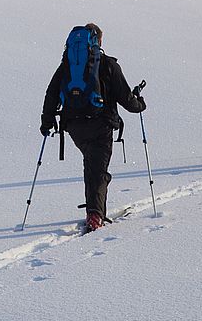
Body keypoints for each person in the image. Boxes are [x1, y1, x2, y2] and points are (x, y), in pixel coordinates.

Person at [41, 23, 146, 232]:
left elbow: (51, 93)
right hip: (100, 123)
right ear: (98, 41)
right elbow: (127, 100)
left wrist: (47, 121)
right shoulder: (108, 65)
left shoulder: (67, 65)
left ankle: (94, 206)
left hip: (74, 126)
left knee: (91, 164)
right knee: (98, 171)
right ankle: (95, 214)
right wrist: (140, 103)